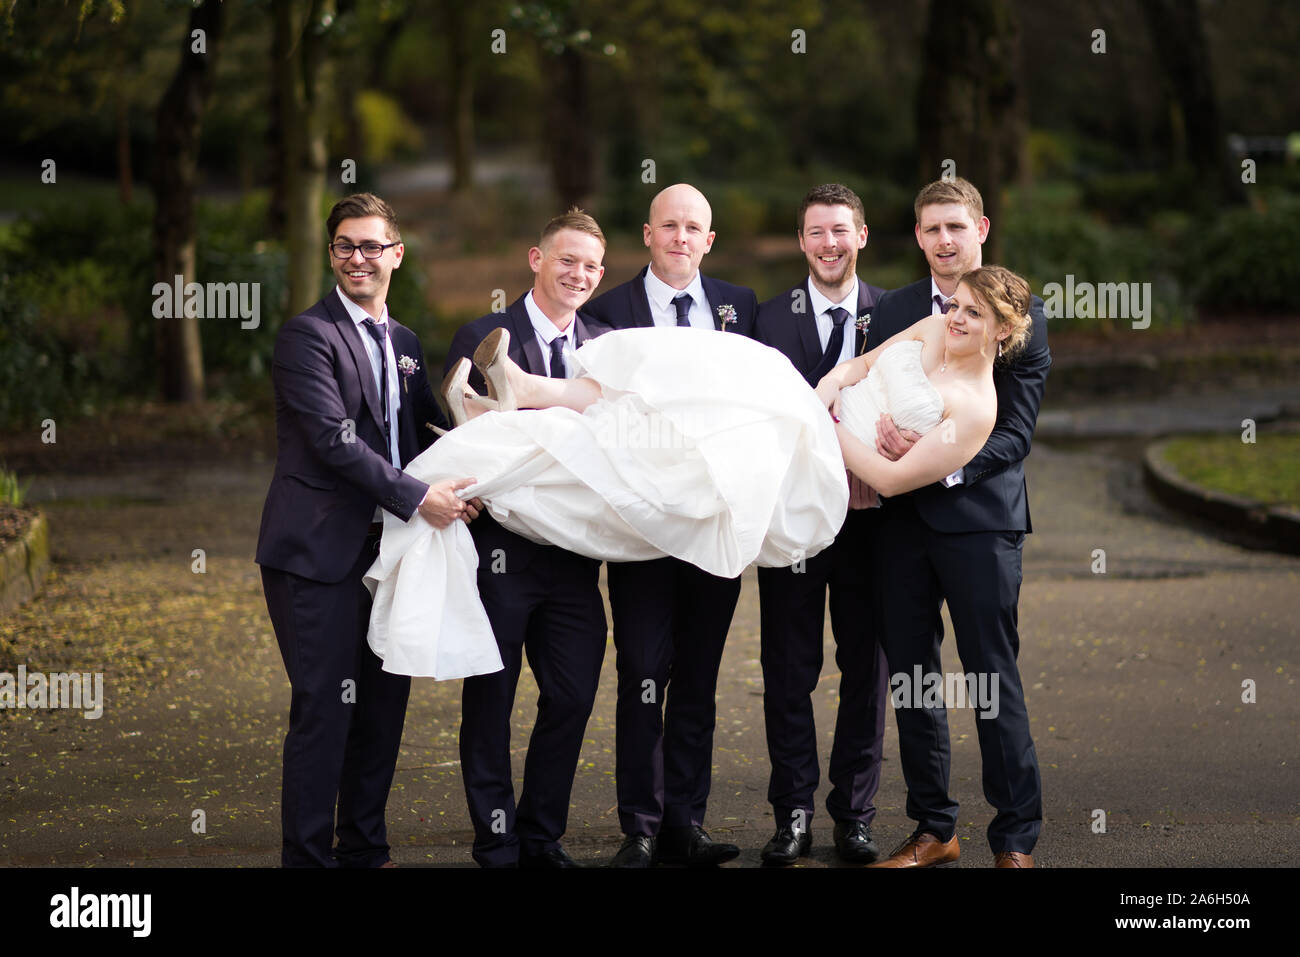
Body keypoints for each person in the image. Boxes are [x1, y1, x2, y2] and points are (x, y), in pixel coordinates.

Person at [254, 192, 477, 868]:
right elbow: (332, 439)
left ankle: (366, 849)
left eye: (371, 245)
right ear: (331, 255)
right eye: (346, 245)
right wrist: (419, 498)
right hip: (316, 556)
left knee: (382, 712)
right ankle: (308, 857)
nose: (359, 257)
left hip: (392, 559)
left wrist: (496, 444)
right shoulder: (306, 337)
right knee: (324, 712)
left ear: (395, 255)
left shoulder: (405, 343)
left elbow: (425, 432)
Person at [854, 176, 1050, 869]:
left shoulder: (1019, 311)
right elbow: (873, 390)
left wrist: (943, 463)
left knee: (991, 676)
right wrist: (878, 442)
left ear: (981, 230)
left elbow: (1016, 433)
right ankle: (934, 827)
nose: (944, 240)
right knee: (911, 675)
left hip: (978, 524)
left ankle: (1016, 836)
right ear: (918, 236)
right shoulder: (898, 307)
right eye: (932, 229)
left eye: (956, 228)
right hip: (900, 524)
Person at [581, 183, 758, 867]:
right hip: (641, 528)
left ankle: (688, 820)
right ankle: (642, 824)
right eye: (670, 225)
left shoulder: (740, 308)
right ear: (648, 234)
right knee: (644, 668)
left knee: (699, 676)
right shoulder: (605, 314)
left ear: (708, 240)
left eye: (695, 227)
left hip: (715, 524)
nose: (681, 237)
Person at [441, 209, 613, 869]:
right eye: (567, 259)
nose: (579, 274)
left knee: (571, 695)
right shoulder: (485, 334)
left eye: (592, 266)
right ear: (536, 259)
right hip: (500, 556)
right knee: (491, 696)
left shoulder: (602, 346)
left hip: (576, 559)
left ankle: (542, 834)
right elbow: (455, 434)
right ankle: (496, 839)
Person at [751, 183, 889, 866]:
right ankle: (793, 811)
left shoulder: (895, 315)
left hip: (872, 523)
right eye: (815, 232)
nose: (828, 244)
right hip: (792, 522)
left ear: (862, 235)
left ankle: (854, 813)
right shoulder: (767, 318)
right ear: (801, 241)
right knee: (788, 668)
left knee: (867, 668)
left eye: (840, 230)